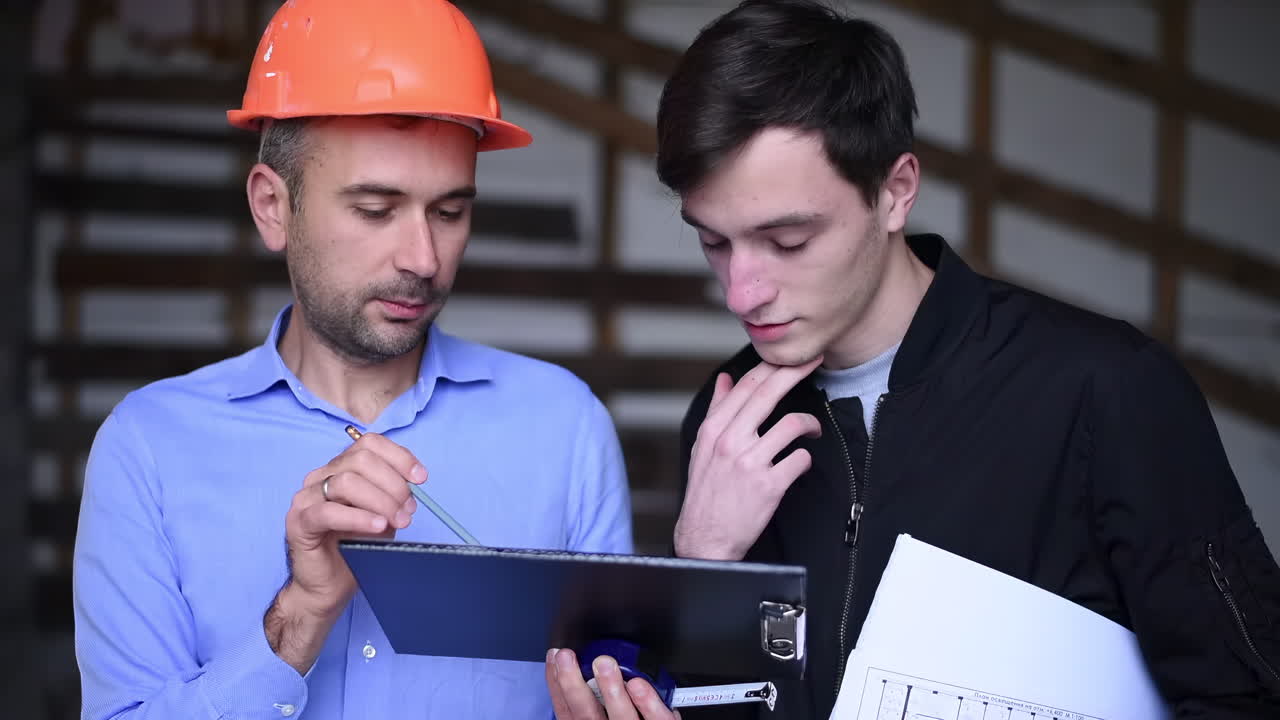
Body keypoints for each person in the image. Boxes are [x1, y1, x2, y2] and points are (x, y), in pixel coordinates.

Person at [545, 1, 1280, 718]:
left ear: (895, 192)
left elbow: (1247, 694)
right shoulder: (729, 417)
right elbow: (738, 697)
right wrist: (703, 562)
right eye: (713, 241)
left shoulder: (1107, 390)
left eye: (788, 241)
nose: (741, 291)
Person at [72, 1, 632, 718]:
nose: (423, 259)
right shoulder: (149, 449)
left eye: (450, 212)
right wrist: (301, 614)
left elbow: (614, 688)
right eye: (374, 210)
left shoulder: (565, 429)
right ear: (272, 206)